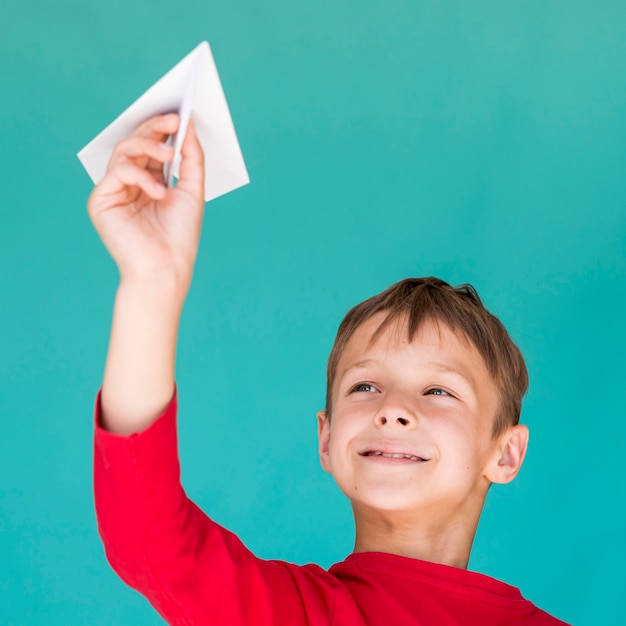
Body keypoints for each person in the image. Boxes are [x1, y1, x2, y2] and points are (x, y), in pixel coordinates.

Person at [89, 113, 569, 625]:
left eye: (438, 391)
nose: (393, 410)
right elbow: (151, 539)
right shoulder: (293, 612)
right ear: (326, 436)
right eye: (365, 386)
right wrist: (151, 281)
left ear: (507, 452)